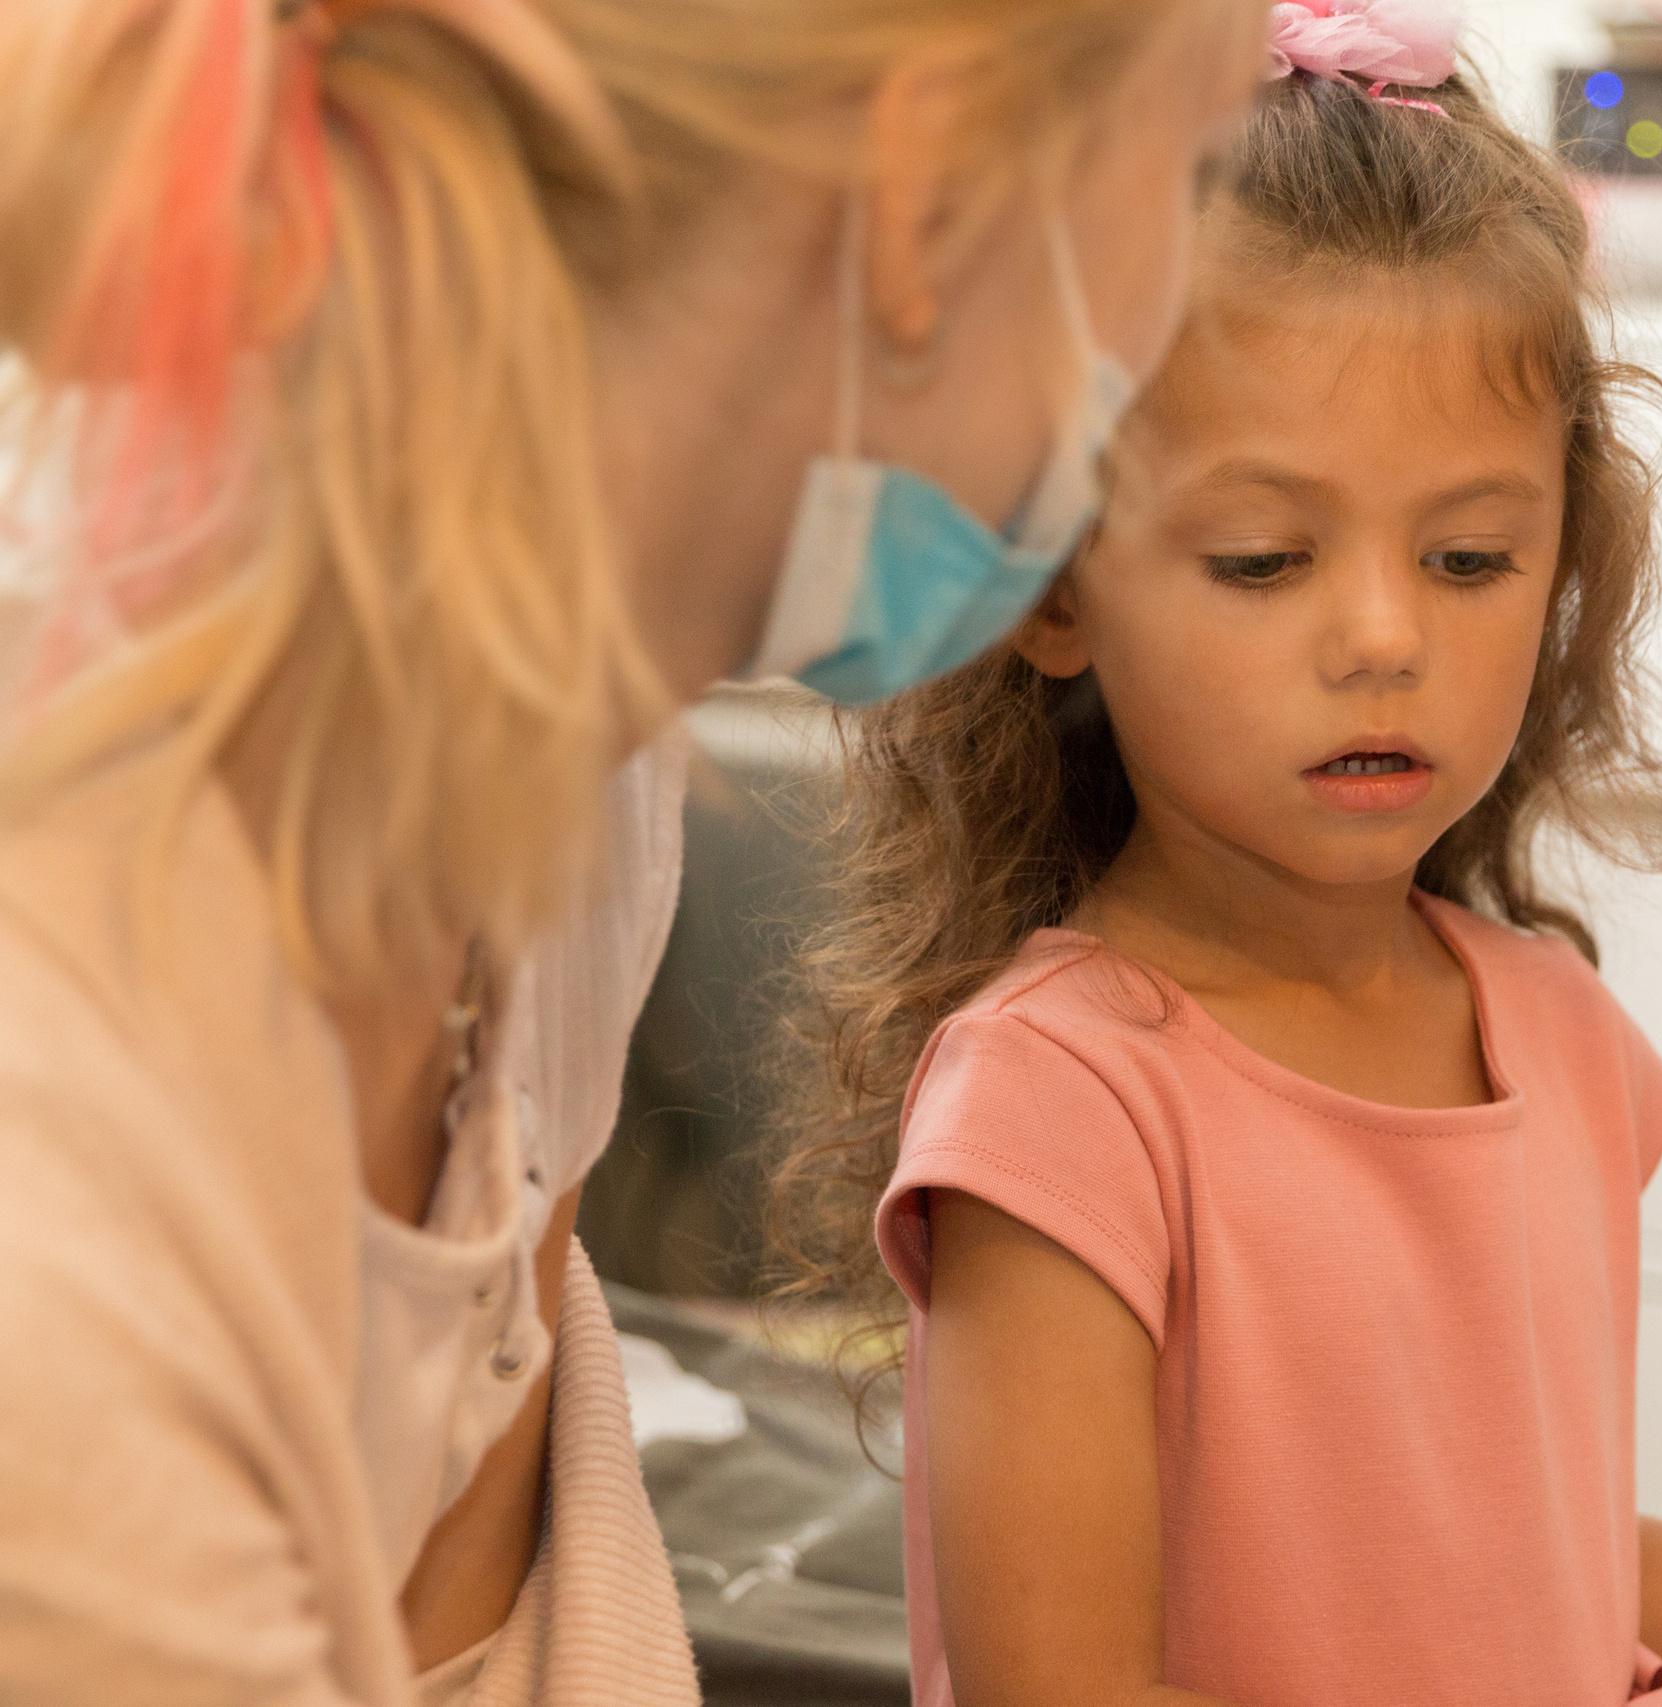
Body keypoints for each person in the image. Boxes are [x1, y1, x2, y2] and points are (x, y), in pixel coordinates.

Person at [0, 0, 1266, 1701]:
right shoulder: (72, 1180)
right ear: (930, 199)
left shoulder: (578, 760)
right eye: (1189, 176)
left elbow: (465, 1586)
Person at [778, 14, 1662, 1706]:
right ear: (1056, 589)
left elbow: (1540, 1569)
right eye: (1262, 562)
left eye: (1470, 558)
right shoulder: (1064, 1110)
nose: (1384, 637)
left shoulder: (1561, 1042)